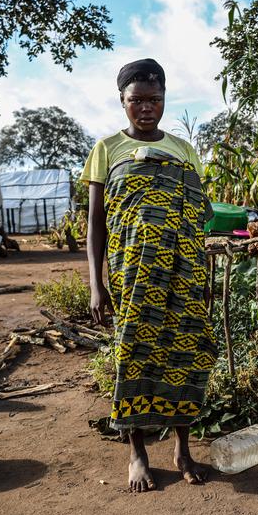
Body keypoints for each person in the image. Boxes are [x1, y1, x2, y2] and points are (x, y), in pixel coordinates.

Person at [81, 58, 216, 492]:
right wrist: (96, 284)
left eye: (153, 100)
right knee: (134, 355)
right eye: (136, 100)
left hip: (183, 273)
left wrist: (204, 277)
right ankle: (137, 450)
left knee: (183, 357)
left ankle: (182, 447)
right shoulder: (106, 150)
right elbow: (96, 224)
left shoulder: (183, 150)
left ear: (163, 102)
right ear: (122, 102)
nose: (145, 108)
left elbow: (199, 214)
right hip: (132, 274)